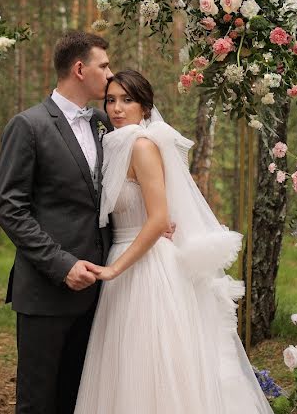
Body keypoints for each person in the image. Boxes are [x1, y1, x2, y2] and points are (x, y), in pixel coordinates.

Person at [74, 70, 273, 414]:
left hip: (146, 267)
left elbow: (158, 219)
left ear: (145, 107)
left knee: (152, 364)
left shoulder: (142, 145)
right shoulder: (118, 144)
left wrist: (113, 269)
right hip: (126, 261)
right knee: (125, 367)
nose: (117, 108)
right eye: (110, 100)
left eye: (127, 100)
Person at [0, 30, 114, 414]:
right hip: (47, 293)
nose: (111, 74)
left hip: (98, 292)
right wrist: (62, 265)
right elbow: (10, 208)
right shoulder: (28, 126)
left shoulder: (102, 122)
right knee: (38, 401)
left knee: (79, 399)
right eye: (104, 65)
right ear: (80, 69)